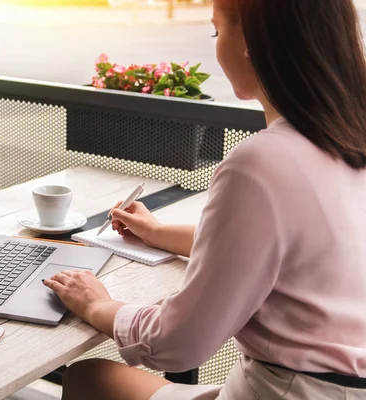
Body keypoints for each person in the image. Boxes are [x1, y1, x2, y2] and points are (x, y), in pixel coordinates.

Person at [43, 0, 366, 398]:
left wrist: (97, 305)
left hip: (291, 390)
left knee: (89, 377)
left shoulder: (263, 162)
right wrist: (159, 232)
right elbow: (295, 250)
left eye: (217, 31)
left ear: (248, 39)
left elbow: (181, 343)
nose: (216, 45)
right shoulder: (349, 135)